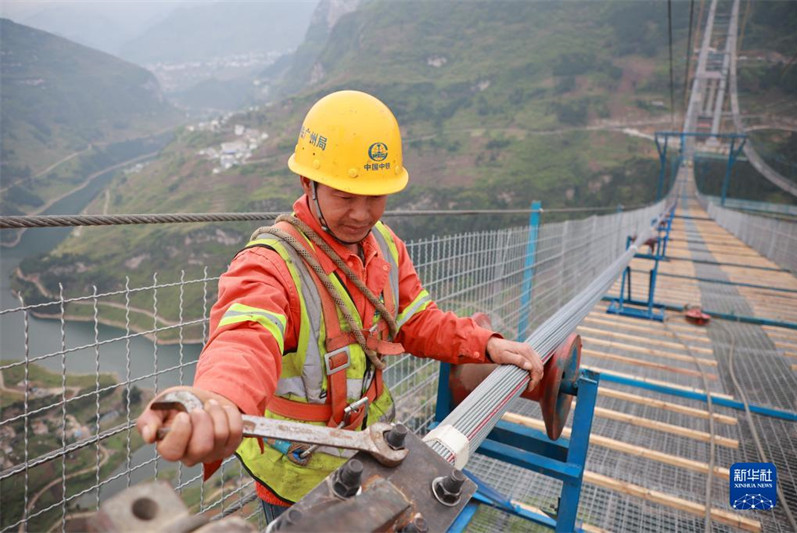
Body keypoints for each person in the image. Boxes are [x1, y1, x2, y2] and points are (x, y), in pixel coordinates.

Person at [136, 90, 543, 521]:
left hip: (370, 455)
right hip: (295, 476)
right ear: (307, 184)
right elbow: (245, 337)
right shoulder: (271, 265)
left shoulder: (386, 247)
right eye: (345, 195)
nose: (362, 214)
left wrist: (486, 345)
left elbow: (417, 320)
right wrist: (220, 401)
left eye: (375, 197)